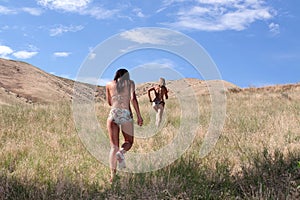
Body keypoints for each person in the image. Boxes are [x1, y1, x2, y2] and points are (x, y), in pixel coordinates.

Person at [106, 68, 143, 182]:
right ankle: (121, 153)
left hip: (113, 113)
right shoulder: (130, 83)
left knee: (113, 146)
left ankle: (113, 176)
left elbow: (109, 102)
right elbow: (133, 99)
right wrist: (139, 115)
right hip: (125, 114)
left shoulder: (108, 84)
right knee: (129, 141)